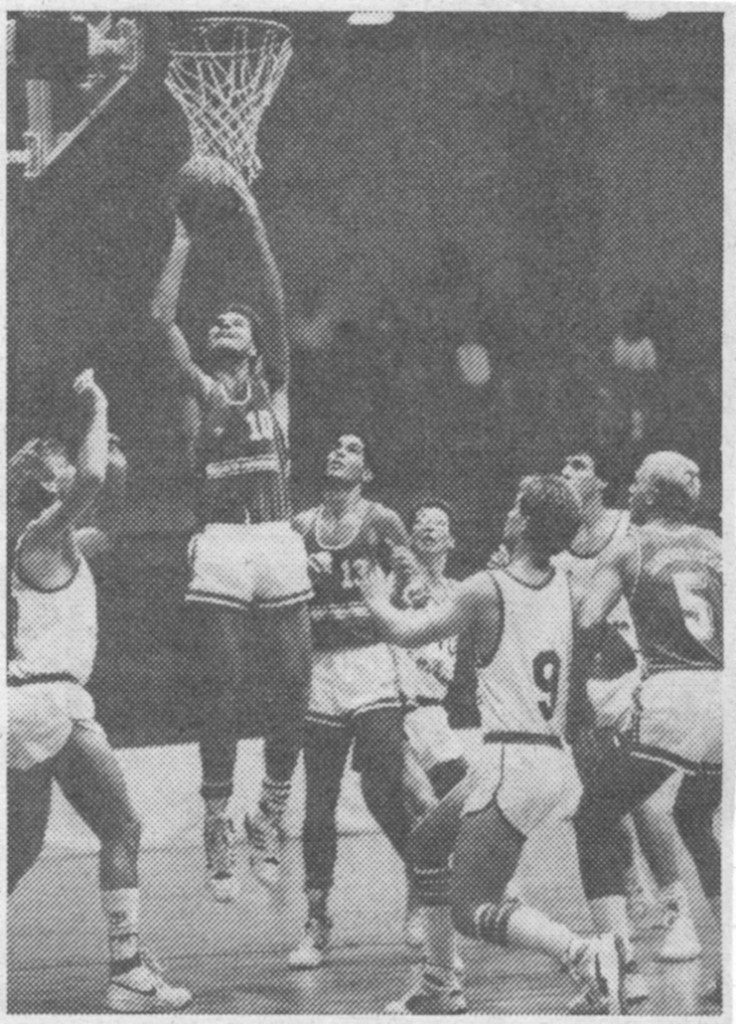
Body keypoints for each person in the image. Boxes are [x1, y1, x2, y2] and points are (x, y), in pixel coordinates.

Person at [360, 475, 625, 1015]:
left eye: (514, 506)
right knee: (428, 843)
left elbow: (408, 632)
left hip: (511, 760)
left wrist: (374, 598)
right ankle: (439, 983)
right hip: (542, 756)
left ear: (524, 522)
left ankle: (583, 954)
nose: (506, 512)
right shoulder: (570, 590)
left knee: (469, 906)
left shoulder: (486, 587)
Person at [7, 371, 191, 1012]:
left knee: (21, 847)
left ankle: (129, 967)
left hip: (23, 706)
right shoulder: (39, 535)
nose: (68, 459)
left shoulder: (54, 541)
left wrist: (108, 457)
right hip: (51, 701)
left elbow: (102, 525)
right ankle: (126, 972)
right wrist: (101, 406)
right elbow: (89, 488)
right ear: (44, 482)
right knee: (123, 825)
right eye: (58, 459)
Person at [151, 173, 313, 901]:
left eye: (234, 324)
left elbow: (276, 302)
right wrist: (182, 241)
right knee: (221, 687)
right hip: (219, 539)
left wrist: (252, 215)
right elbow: (161, 321)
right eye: (217, 323)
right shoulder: (202, 394)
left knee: (295, 682)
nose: (225, 325)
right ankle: (217, 817)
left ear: (252, 347)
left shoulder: (274, 392)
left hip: (276, 537)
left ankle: (270, 810)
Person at [571, 451, 722, 1007]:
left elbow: (586, 624)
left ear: (654, 496)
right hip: (724, 692)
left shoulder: (630, 546)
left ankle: (618, 969)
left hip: (673, 696)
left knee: (594, 816)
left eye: (636, 482)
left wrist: (574, 706)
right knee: (694, 817)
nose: (629, 490)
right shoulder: (717, 546)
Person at [287, 434, 414, 969]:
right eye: (333, 447)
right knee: (318, 803)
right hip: (320, 669)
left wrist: (389, 594)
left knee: (384, 782)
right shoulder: (298, 527)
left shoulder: (381, 520)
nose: (337, 452)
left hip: (369, 659)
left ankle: (422, 881)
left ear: (366, 472)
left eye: (352, 448)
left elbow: (406, 574)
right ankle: (317, 918)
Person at [393, 502, 471, 950]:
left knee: (468, 810)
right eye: (419, 520)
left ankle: (493, 891)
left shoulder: (461, 592)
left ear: (451, 540)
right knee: (422, 811)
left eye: (438, 522)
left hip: (436, 716)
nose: (427, 525)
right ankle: (418, 906)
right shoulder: (398, 580)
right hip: (397, 712)